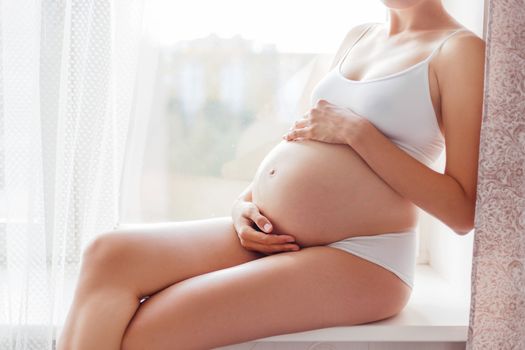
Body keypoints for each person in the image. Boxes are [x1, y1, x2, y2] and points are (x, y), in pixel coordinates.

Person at [56, 0, 485, 349]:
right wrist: (244, 203)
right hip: (276, 236)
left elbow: (462, 210)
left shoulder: (459, 51)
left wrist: (359, 133)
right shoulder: (359, 37)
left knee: (144, 331)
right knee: (108, 254)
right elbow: (305, 135)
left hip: (361, 257)